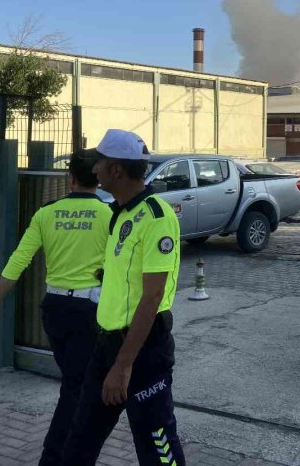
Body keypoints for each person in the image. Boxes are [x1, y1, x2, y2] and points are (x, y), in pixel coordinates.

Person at [61, 129, 186, 466]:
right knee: (81, 437)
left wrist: (123, 365)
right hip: (107, 347)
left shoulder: (156, 218)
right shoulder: (121, 212)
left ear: (116, 169)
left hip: (141, 353)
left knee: (158, 444)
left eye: (100, 161)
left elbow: (152, 297)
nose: (95, 168)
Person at [0, 151, 110, 466]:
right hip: (89, 311)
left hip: (54, 310)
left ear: (71, 179)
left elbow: (18, 261)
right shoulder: (110, 215)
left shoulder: (47, 213)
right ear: (99, 177)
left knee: (76, 382)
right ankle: (55, 457)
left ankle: (69, 453)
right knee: (77, 388)